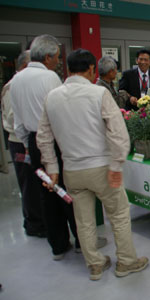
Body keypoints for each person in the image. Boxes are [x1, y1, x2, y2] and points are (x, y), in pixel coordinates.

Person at [36, 48, 149, 280]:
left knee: (83, 220)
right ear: (91, 69)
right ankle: (126, 262)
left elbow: (43, 137)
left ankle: (95, 264)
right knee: (118, 214)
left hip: (71, 170)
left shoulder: (52, 96)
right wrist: (117, 165)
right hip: (102, 167)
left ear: (67, 69)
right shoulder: (99, 94)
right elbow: (118, 133)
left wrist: (52, 170)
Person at [10, 34, 79, 259]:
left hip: (32, 141)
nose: (59, 62)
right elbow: (62, 113)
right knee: (68, 191)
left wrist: (30, 147)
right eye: (57, 57)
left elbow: (17, 121)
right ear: (48, 57)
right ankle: (81, 241)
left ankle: (58, 245)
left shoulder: (16, 79)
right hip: (56, 142)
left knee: (46, 195)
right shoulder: (49, 78)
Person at [1, 50, 46, 237]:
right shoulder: (13, 87)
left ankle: (39, 219)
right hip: (21, 143)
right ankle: (34, 224)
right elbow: (13, 120)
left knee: (36, 183)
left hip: (30, 140)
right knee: (28, 183)